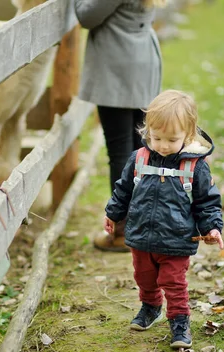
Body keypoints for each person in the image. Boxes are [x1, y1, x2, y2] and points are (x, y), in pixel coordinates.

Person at [103, 90, 224, 349]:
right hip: (142, 237)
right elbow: (123, 189)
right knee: (144, 277)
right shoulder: (139, 159)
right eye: (156, 137)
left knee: (174, 282)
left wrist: (213, 227)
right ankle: (150, 307)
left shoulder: (195, 167)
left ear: (188, 135)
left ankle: (179, 321)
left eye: (172, 139)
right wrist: (113, 214)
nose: (163, 145)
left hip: (176, 240)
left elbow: (206, 201)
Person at [74, 0, 166, 252]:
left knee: (121, 152)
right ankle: (143, 223)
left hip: (118, 68)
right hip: (142, 61)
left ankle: (122, 231)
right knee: (140, 149)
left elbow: (86, 16)